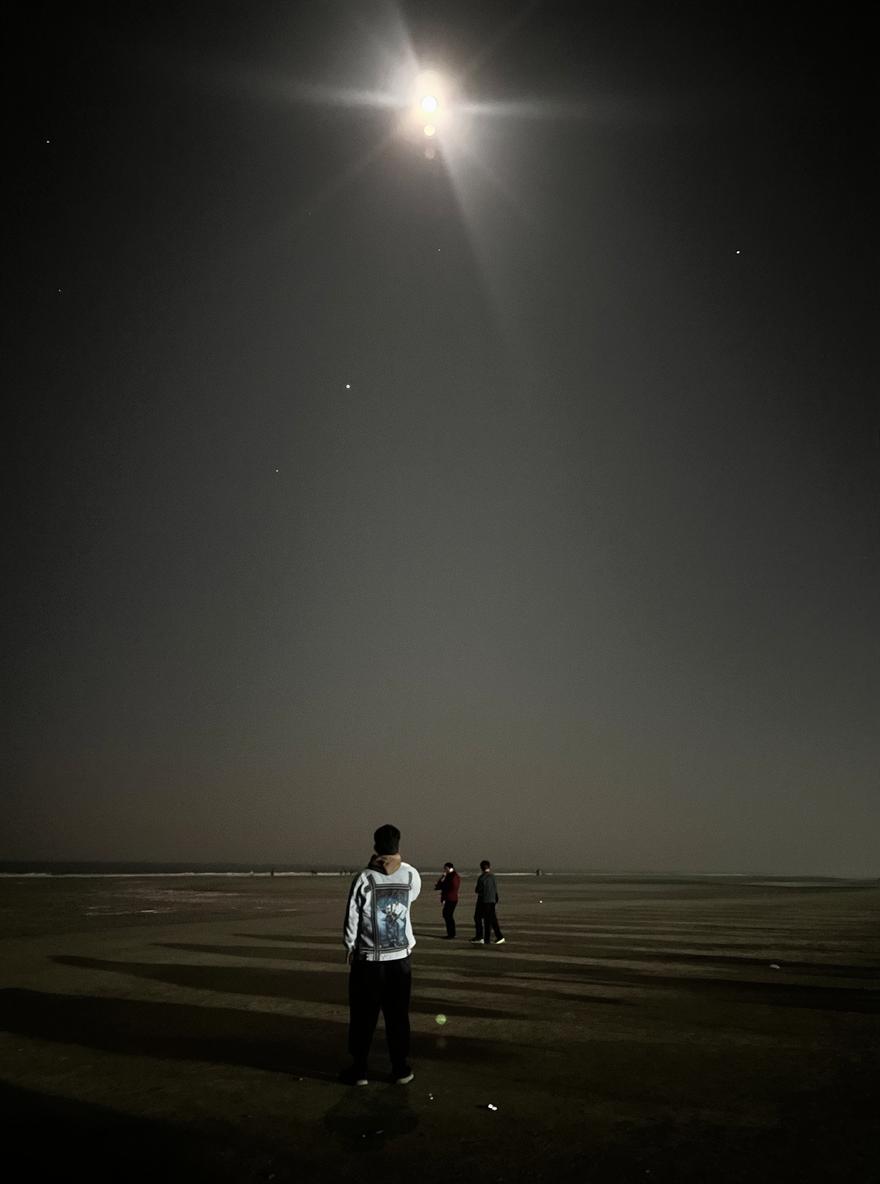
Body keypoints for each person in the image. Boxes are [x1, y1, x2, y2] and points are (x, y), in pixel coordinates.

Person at [342, 823, 421, 1085]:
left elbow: (353, 915)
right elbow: (411, 900)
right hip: (400, 958)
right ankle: (400, 1068)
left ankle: (360, 1070)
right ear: (398, 845)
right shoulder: (411, 875)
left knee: (364, 1017)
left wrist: (350, 945)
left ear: (375, 846)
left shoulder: (365, 877)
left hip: (370, 960)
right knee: (398, 1017)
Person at [471, 859, 505, 945]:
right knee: (491, 919)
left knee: (479, 918)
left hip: (484, 901)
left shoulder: (482, 877)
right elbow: (495, 889)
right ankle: (495, 937)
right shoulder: (493, 877)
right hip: (492, 900)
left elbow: (478, 890)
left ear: (481, 868)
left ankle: (482, 937)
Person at [434, 861, 461, 938]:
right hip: (450, 898)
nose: (444, 870)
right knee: (447, 915)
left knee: (447, 915)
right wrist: (443, 877)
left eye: (445, 868)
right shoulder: (449, 876)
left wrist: (444, 888)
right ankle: (451, 933)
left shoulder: (453, 876)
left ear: (449, 868)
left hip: (451, 898)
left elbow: (452, 887)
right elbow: (440, 885)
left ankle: (451, 934)